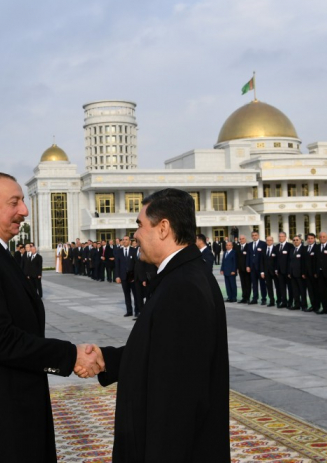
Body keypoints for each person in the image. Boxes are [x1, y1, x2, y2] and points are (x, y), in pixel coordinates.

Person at [0, 172, 103, 462]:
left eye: (23, 202)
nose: (24, 211)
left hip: (12, 406)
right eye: (14, 202)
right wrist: (69, 356)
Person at [81, 188, 229, 461]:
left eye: (139, 224)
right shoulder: (182, 275)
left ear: (163, 228)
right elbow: (161, 351)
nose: (135, 234)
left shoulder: (183, 287)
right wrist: (107, 359)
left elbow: (178, 401)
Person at [115, 235, 138, 317]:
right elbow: (117, 265)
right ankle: (129, 311)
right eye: (123, 240)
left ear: (129, 241)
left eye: (126, 240)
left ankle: (137, 311)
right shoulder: (119, 251)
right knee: (126, 294)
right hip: (123, 276)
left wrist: (136, 276)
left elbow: (136, 264)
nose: (124, 241)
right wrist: (117, 276)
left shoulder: (134, 250)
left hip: (132, 277)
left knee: (135, 294)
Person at [246, 231, 267, 305]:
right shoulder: (249, 244)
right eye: (253, 235)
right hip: (252, 268)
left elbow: (264, 257)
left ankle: (264, 298)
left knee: (262, 284)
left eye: (255, 235)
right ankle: (255, 298)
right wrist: (247, 265)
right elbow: (248, 256)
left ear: (258, 235)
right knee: (254, 284)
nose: (254, 236)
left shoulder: (263, 244)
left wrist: (263, 269)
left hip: (260, 268)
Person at [288, 236, 307, 311]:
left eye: (297, 240)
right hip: (292, 274)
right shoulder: (292, 249)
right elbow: (290, 262)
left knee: (302, 291)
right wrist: (289, 272)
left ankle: (304, 305)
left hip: (300, 274)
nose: (295, 241)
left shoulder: (304, 249)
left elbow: (304, 263)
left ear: (300, 240)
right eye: (294, 240)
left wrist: (303, 272)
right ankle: (297, 304)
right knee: (295, 290)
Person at [275, 232, 294, 308]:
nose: (281, 238)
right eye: (279, 236)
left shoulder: (290, 246)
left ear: (285, 237)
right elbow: (275, 259)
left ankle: (290, 302)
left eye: (282, 236)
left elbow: (291, 259)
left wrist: (290, 271)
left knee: (290, 288)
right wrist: (276, 269)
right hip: (279, 271)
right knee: (282, 288)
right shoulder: (277, 246)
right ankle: (284, 302)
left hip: (287, 271)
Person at [304, 233, 319, 313]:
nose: (310, 240)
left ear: (314, 239)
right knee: (310, 291)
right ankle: (313, 305)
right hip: (307, 274)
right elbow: (303, 262)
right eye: (308, 238)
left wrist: (316, 272)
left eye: (311, 238)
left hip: (314, 274)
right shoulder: (305, 248)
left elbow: (318, 261)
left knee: (316, 291)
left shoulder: (317, 248)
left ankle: (317, 306)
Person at [260, 236, 277, 307]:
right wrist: (262, 272)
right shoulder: (263, 249)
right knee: (269, 287)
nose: (269, 241)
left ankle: (279, 300)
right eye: (267, 240)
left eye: (270, 240)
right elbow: (261, 261)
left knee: (277, 287)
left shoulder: (276, 249)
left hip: (275, 272)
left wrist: (277, 270)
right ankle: (271, 301)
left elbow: (278, 261)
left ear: (272, 241)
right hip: (266, 272)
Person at [236, 235, 251, 303]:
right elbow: (237, 258)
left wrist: (248, 266)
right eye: (240, 239)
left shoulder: (249, 246)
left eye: (243, 239)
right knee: (243, 283)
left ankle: (247, 297)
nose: (241, 240)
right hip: (240, 269)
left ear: (245, 239)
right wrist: (237, 267)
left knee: (248, 283)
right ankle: (244, 297)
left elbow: (249, 257)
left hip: (247, 268)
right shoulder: (238, 247)